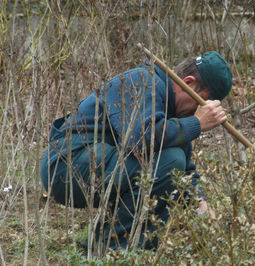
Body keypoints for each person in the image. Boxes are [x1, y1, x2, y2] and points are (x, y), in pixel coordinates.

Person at [40, 50, 232, 252]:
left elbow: (185, 169)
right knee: (169, 160)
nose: (197, 112)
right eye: (200, 102)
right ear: (189, 82)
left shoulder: (170, 110)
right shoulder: (142, 81)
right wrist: (196, 123)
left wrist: (200, 201)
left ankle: (112, 243)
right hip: (66, 167)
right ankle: (113, 250)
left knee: (173, 161)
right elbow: (140, 139)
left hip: (95, 164)